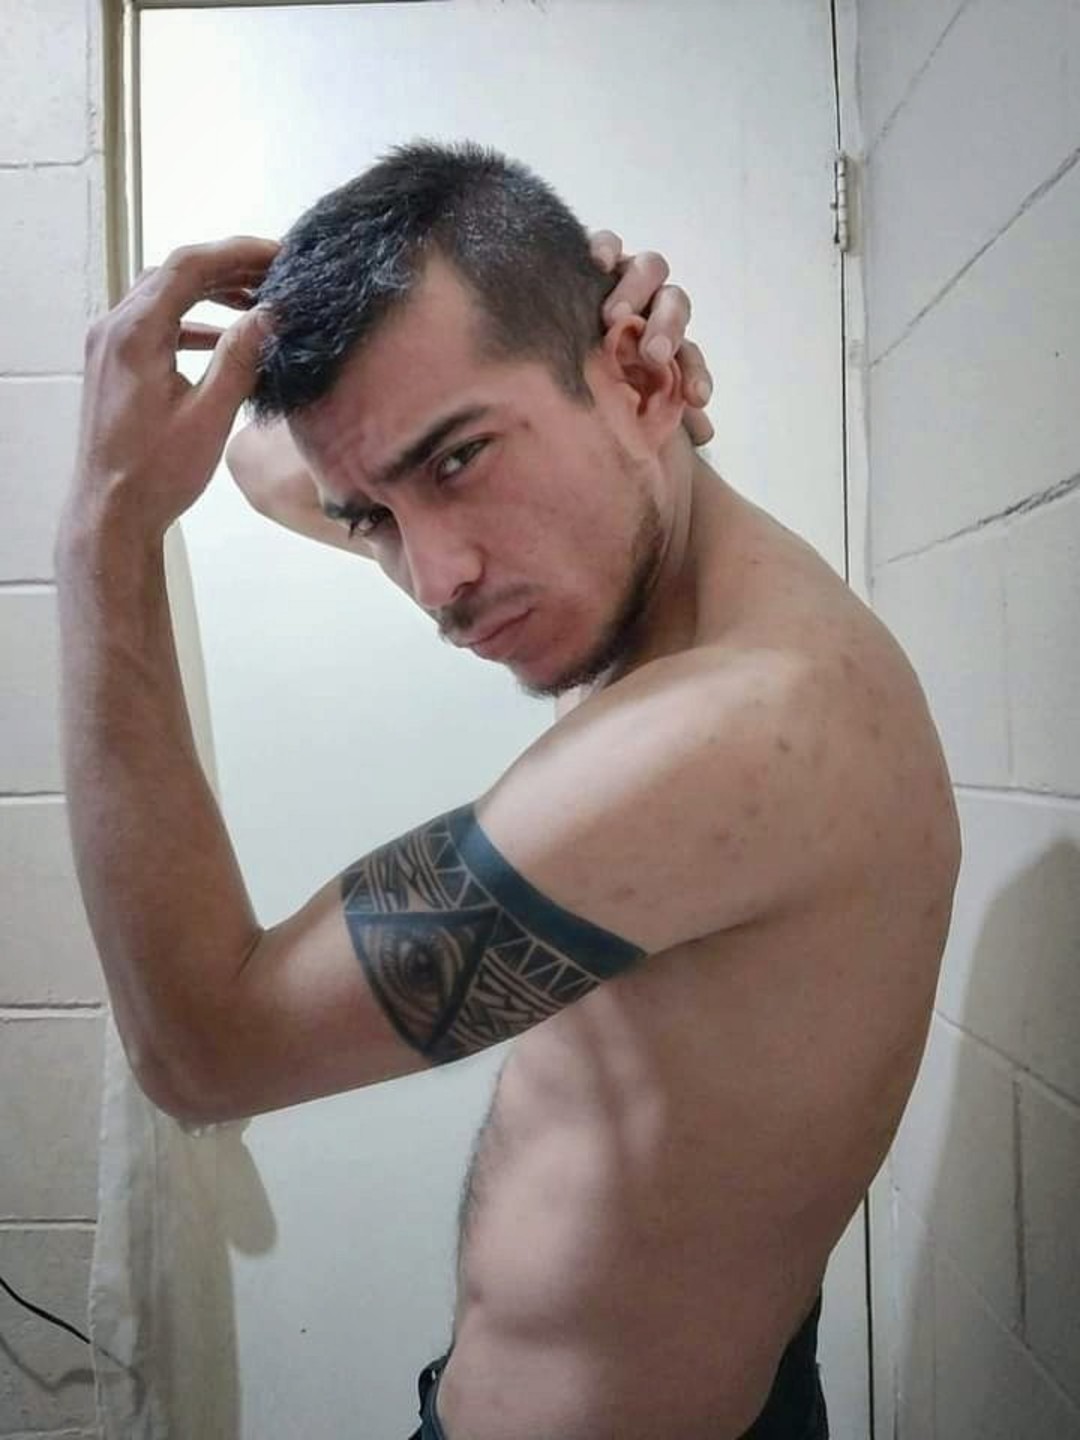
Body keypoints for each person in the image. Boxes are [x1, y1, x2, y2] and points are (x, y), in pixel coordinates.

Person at [56, 141, 960, 1440]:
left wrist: (103, 531)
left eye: (458, 461)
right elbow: (270, 471)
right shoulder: (674, 596)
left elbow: (201, 1055)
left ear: (645, 380)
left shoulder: (732, 731)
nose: (436, 583)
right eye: (374, 518)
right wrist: (529, 308)